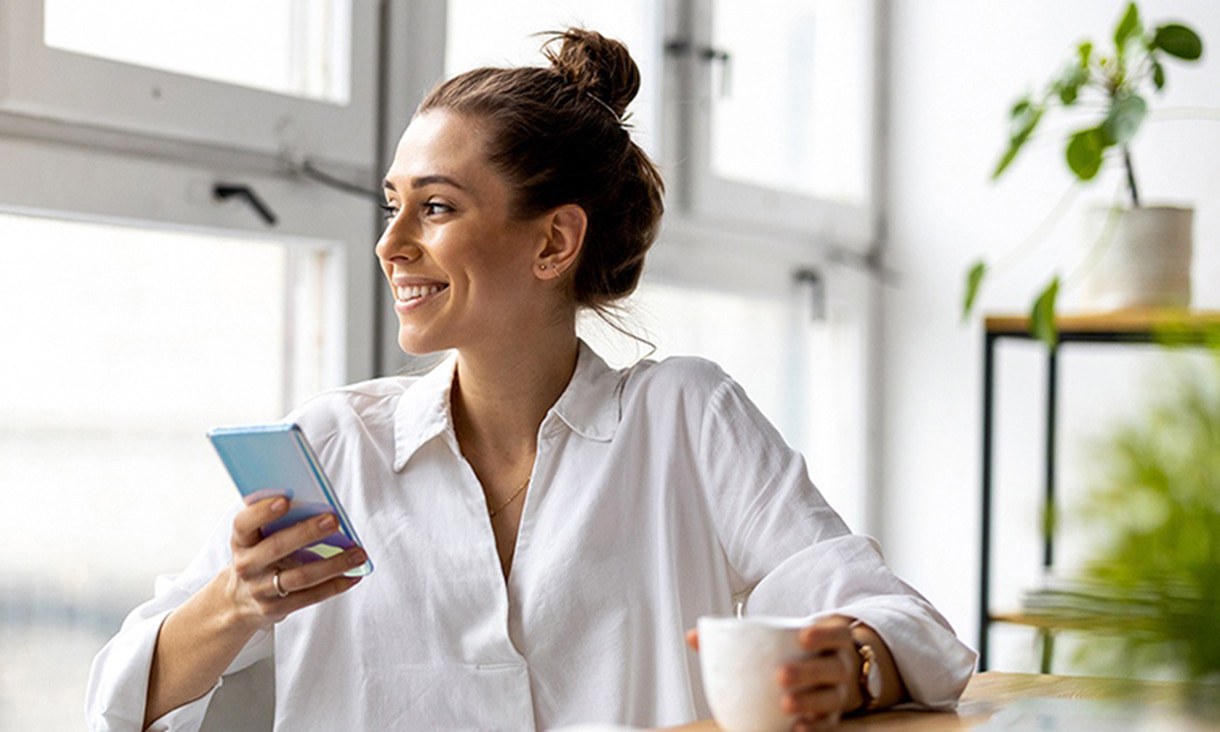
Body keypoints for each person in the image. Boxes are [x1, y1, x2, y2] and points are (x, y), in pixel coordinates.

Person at [87, 28, 975, 732]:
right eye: (391, 205)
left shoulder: (684, 418)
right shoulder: (333, 448)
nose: (392, 244)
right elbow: (119, 700)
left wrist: (850, 662)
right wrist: (236, 601)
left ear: (554, 241)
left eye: (435, 207)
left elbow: (908, 628)